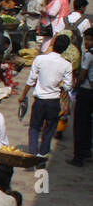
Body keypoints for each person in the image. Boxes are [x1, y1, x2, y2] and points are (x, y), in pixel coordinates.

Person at [18, 34, 72, 159]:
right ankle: (42, 154)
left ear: (52, 44)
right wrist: (58, 87)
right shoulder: (66, 65)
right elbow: (68, 86)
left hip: (40, 100)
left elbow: (31, 80)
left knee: (34, 127)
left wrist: (23, 96)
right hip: (54, 101)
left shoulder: (40, 59)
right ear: (65, 48)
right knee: (49, 128)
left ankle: (32, 152)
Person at [70, 28, 93, 166]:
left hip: (86, 92)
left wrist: (74, 87)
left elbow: (83, 74)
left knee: (80, 123)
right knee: (89, 122)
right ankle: (86, 149)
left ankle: (78, 157)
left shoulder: (88, 55)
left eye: (89, 40)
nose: (86, 43)